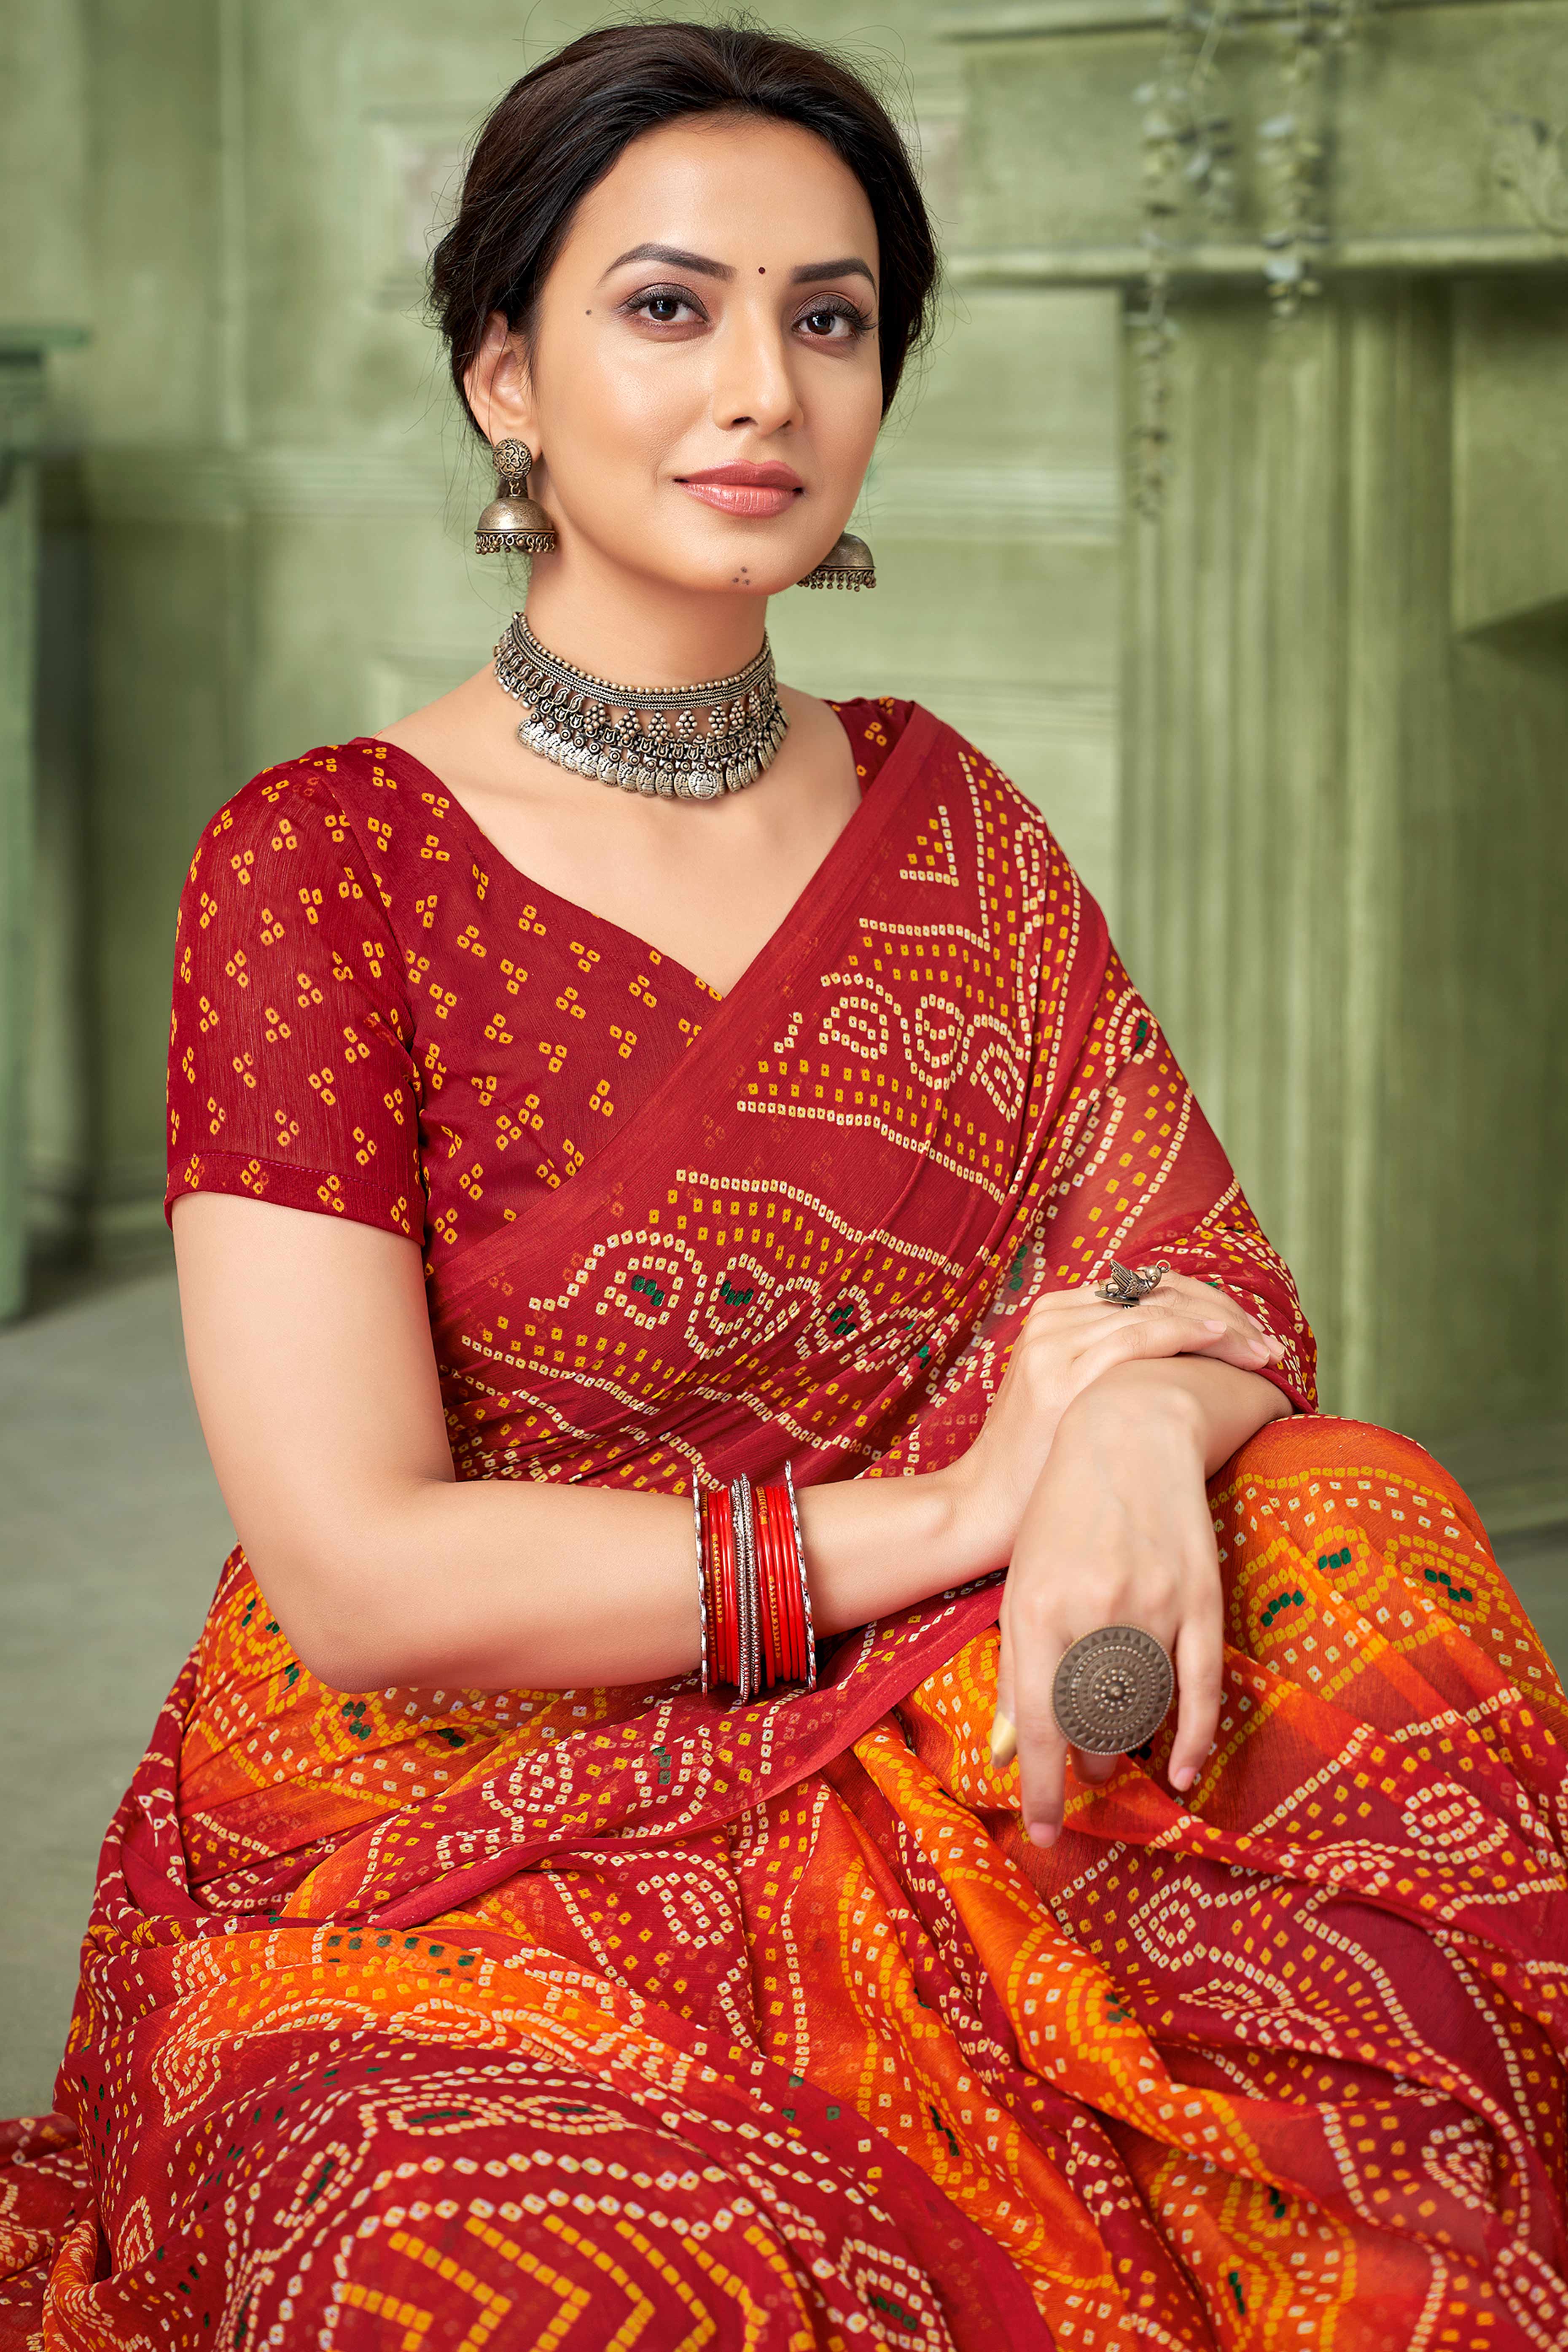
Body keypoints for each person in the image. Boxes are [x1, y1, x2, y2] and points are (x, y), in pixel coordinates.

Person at [3, 21, 1565, 2348]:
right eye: (668, 306)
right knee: (501, 2254)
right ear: (501, 375)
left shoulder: (947, 819)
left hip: (927, 1715)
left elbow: (1200, 1272)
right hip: (466, 1783)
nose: (763, 385)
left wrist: (1128, 1429)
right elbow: (365, 1578)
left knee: (1351, 1524)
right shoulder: (319, 867)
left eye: (826, 317)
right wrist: (952, 1519)